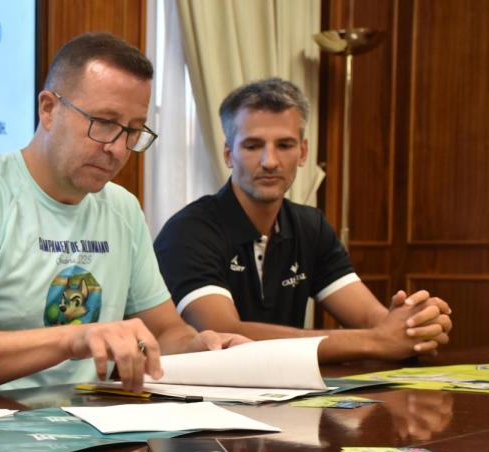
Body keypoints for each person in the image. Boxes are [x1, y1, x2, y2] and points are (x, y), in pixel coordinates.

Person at [0, 32, 245, 392]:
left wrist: (202, 347)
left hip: (98, 420)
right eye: (104, 123)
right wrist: (71, 339)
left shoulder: (121, 208)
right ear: (48, 109)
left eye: (133, 131)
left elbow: (166, 331)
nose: (118, 149)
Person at [154, 78, 452, 363]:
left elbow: (373, 320)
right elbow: (227, 335)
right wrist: (379, 342)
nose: (270, 161)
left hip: (288, 399)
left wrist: (415, 326)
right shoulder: (188, 230)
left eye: (284, 145)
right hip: (202, 404)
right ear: (229, 154)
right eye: (253, 145)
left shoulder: (311, 225)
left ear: (303, 152)